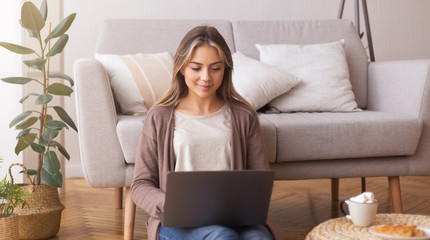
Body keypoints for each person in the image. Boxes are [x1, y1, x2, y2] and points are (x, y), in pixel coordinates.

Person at [131, 25, 277, 240]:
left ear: (226, 69)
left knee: (259, 238)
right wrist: (172, 204)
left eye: (215, 68)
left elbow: (259, 179)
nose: (206, 77)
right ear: (182, 68)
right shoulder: (160, 117)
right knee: (222, 236)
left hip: (234, 216)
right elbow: (140, 185)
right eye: (196, 68)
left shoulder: (244, 115)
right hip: (178, 221)